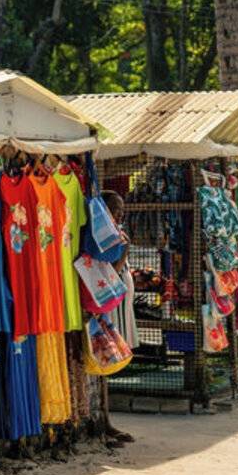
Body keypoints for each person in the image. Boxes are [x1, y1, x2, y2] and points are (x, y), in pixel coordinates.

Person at [101, 191, 136, 447]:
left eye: (121, 210)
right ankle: (105, 419)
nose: (120, 214)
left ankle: (106, 419)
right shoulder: (104, 236)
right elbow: (108, 273)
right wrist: (124, 251)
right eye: (116, 209)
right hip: (108, 305)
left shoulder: (116, 232)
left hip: (119, 305)